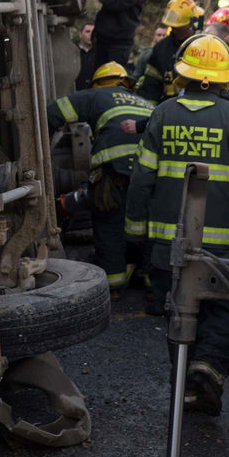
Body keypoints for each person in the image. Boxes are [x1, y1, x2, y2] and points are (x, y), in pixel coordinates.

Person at [125, 34, 229, 415]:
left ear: (182, 73)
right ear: (224, 77)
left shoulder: (162, 113)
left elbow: (142, 180)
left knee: (178, 313)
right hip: (222, 246)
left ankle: (185, 387)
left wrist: (134, 232)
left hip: (168, 244)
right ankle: (208, 370)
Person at [49, 62, 156, 291]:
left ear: (97, 83)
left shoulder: (95, 95)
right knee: (146, 226)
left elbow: (53, 112)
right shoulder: (145, 103)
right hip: (149, 175)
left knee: (109, 222)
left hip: (113, 174)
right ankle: (150, 280)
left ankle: (113, 284)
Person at [133, 0, 204, 104]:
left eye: (179, 27)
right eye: (172, 27)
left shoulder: (206, 46)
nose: (174, 30)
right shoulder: (161, 49)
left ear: (191, 24)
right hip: (170, 108)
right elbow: (150, 87)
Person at [75, 20, 98, 91]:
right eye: (87, 31)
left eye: (93, 32)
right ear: (80, 34)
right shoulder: (73, 52)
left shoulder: (99, 53)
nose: (91, 34)